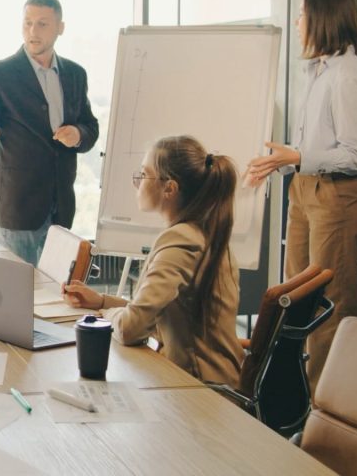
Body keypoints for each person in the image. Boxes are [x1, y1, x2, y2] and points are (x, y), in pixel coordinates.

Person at [245, 0, 357, 394]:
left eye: (302, 15)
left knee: (330, 307)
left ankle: (329, 411)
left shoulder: (349, 76)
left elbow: (354, 155)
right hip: (304, 192)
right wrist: (285, 162)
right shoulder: (318, 71)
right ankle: (294, 399)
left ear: (323, 19)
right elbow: (311, 148)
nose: (297, 22)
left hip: (335, 197)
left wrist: (297, 157)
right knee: (293, 300)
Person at [64, 136, 243, 387]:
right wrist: (102, 301)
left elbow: (130, 329)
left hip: (200, 390)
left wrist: (107, 313)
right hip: (206, 380)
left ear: (169, 188)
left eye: (144, 174)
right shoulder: (203, 231)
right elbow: (160, 311)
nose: (137, 183)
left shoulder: (181, 241)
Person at [0, 0, 100, 266]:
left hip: (62, 207)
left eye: (42, 24)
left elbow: (91, 127)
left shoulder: (75, 74)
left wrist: (78, 134)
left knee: (55, 293)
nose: (32, 31)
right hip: (20, 209)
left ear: (60, 28)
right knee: (17, 295)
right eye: (27, 23)